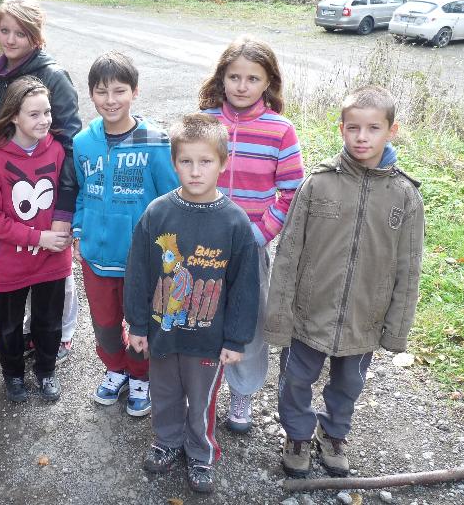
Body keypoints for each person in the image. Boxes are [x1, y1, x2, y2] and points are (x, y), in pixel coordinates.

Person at [264, 85, 425, 478]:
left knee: (349, 384)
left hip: (363, 320)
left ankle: (334, 432)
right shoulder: (318, 184)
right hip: (309, 313)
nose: (362, 137)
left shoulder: (404, 196)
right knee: (296, 379)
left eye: (373, 128)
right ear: (341, 129)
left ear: (392, 130)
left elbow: (409, 268)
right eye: (353, 128)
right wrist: (279, 315)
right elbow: (288, 255)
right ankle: (298, 434)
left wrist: (395, 329)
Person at [124, 113, 259, 493]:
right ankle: (167, 441)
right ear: (174, 163)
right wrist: (136, 324)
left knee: (200, 401)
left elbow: (245, 287)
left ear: (223, 163)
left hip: (208, 339)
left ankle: (201, 454)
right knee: (164, 393)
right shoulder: (158, 213)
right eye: (186, 161)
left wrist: (235, 339)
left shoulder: (235, 223)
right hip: (162, 333)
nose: (195, 171)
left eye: (206, 162)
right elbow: (138, 273)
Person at [197, 35, 304, 433]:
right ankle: (200, 383)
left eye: (252, 78)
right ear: (222, 78)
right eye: (234, 76)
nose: (242, 86)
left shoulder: (280, 131)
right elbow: (182, 172)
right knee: (200, 313)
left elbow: (292, 190)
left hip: (250, 247)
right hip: (201, 246)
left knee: (248, 321)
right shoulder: (204, 122)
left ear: (268, 83)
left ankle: (242, 392)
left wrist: (260, 234)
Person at [0, 0, 82, 363]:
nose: (10, 39)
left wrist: (63, 209)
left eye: (20, 32)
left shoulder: (53, 76)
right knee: (11, 265)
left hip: (50, 190)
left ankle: (59, 334)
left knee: (55, 266)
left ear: (35, 36)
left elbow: (69, 143)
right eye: (4, 30)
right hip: (9, 189)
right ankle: (17, 333)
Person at [72, 51, 179, 417]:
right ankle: (114, 369)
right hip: (96, 257)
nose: (110, 100)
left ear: (135, 91)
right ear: (91, 94)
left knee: (140, 322)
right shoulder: (83, 141)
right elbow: (83, 191)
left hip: (140, 260)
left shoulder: (156, 141)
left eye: (119, 90)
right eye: (101, 92)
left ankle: (140, 377)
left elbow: (171, 198)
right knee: (103, 322)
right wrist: (78, 229)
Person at [0, 76, 73, 403]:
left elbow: (69, 196)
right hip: (12, 262)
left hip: (52, 260)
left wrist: (63, 232)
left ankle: (46, 371)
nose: (44, 120)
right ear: (14, 116)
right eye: (34, 114)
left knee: (49, 321)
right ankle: (13, 375)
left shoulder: (59, 152)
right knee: (9, 325)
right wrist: (38, 236)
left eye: (47, 112)